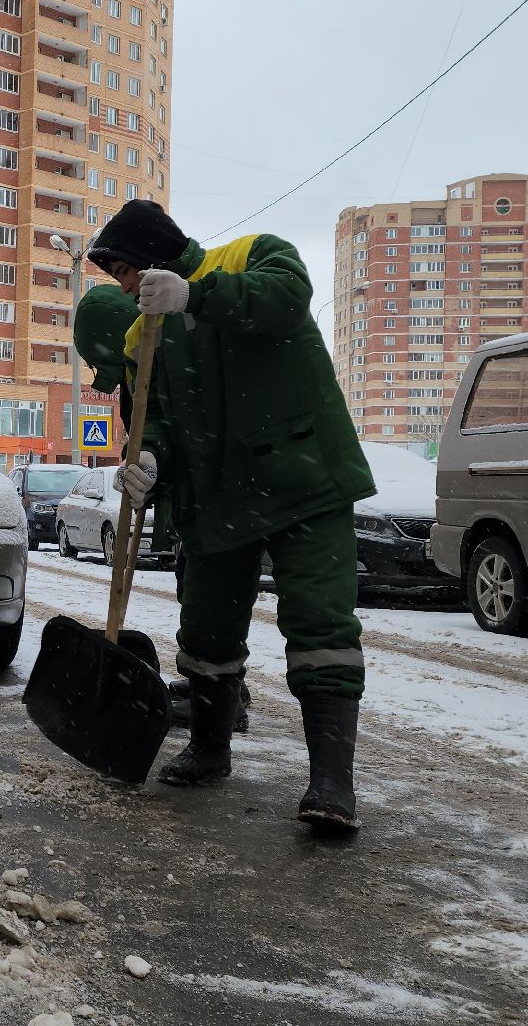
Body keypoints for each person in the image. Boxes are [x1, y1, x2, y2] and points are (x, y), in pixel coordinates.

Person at [85, 199, 376, 831]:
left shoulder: (254, 255)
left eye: (128, 270)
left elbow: (286, 300)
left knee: (320, 622)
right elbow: (153, 416)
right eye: (117, 278)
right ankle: (210, 748)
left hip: (304, 477)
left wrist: (196, 293)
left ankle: (331, 781)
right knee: (209, 627)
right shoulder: (143, 336)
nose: (127, 286)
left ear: (154, 254)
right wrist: (152, 462)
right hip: (218, 496)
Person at [72, 282, 252, 735]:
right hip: (185, 501)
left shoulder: (160, 365)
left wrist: (154, 459)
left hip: (212, 501)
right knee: (190, 588)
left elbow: (180, 431)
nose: (101, 371)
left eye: (99, 357)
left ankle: (226, 701)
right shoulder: (136, 372)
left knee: (208, 599)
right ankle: (204, 688)